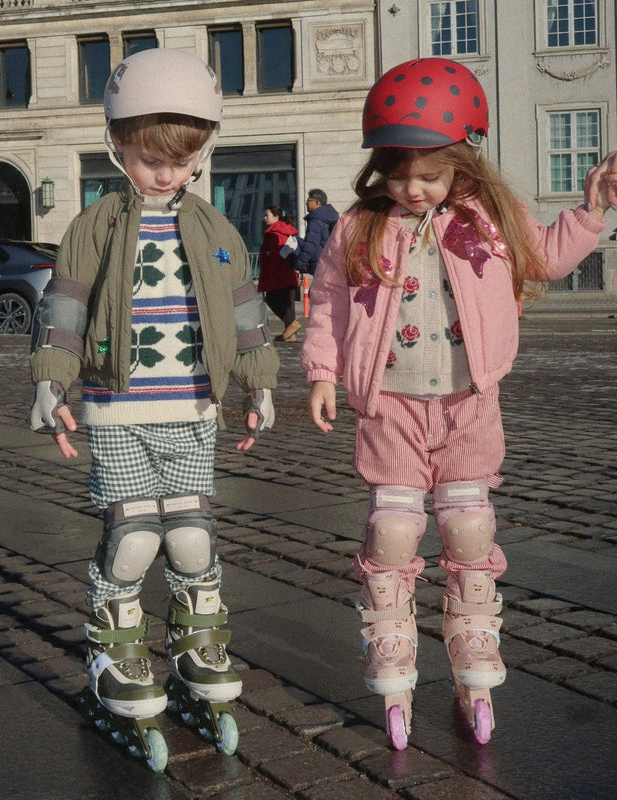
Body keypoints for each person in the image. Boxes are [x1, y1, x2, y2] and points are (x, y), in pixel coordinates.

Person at [300, 57, 617, 750]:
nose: (413, 189)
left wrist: (593, 211)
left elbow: (544, 257)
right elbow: (325, 301)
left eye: (431, 175)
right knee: (393, 534)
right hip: (392, 406)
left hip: (471, 402)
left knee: (470, 530)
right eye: (399, 172)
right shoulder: (360, 226)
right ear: (379, 165)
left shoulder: (488, 219)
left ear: (461, 167)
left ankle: (474, 646)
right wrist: (323, 372)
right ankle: (391, 649)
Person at [28, 48, 279, 768]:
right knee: (135, 535)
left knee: (193, 535)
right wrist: (51, 380)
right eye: (147, 157)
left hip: (193, 407)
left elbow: (245, 313)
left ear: (202, 152)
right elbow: (64, 306)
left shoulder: (215, 229)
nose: (165, 172)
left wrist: (260, 383)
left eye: (181, 158)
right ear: (118, 146)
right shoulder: (96, 225)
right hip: (116, 406)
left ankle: (198, 642)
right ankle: (117, 653)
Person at [258, 205, 301, 341]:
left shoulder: (274, 233)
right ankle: (290, 334)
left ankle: (292, 325)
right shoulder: (286, 231)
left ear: (276, 217)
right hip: (289, 274)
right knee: (288, 304)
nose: (265, 218)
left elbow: (275, 255)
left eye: (267, 215)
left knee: (273, 299)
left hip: (279, 274)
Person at [291, 188, 339, 276]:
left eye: (309, 200)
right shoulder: (328, 218)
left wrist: (298, 265)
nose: (306, 203)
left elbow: (310, 244)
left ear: (317, 203)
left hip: (320, 264)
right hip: (330, 262)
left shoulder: (316, 220)